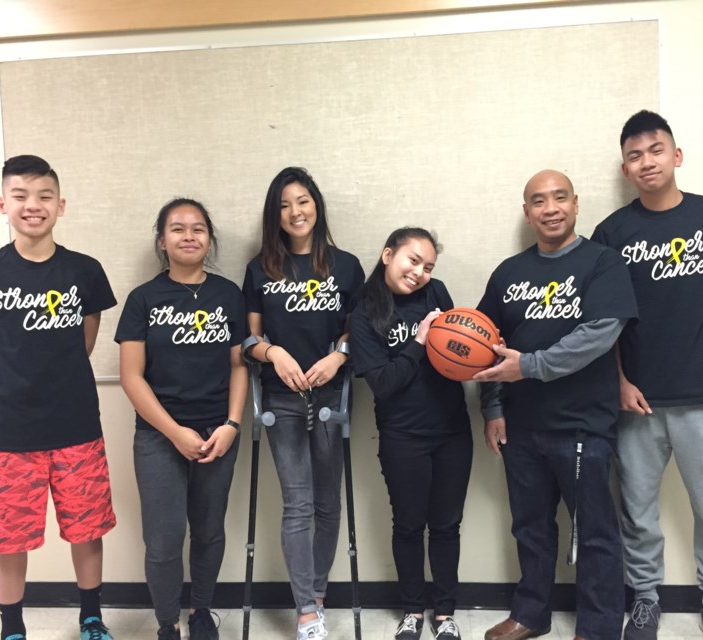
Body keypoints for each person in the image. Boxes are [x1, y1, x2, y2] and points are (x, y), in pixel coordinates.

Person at [591, 111, 703, 640]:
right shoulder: (612, 232)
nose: (647, 161)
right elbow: (606, 323)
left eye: (656, 150)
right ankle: (644, 600)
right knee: (637, 511)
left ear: (676, 155)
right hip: (637, 401)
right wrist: (618, 381)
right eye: (636, 155)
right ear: (625, 168)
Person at [0, 155, 117, 640]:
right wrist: (9, 382)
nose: (33, 205)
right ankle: (12, 628)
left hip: (77, 423)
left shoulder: (84, 270)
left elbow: (85, 341)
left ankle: (91, 618)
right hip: (10, 428)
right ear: (3, 203)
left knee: (87, 529)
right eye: (20, 196)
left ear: (60, 206)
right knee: (8, 537)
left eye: (44, 196)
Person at [474, 170, 638, 640]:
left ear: (576, 204)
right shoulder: (508, 273)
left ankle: (599, 626)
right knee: (529, 527)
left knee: (595, 533)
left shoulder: (603, 263)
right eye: (539, 201)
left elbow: (599, 335)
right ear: (527, 212)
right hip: (521, 428)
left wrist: (528, 366)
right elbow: (487, 345)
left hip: (584, 425)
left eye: (559, 198)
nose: (550, 208)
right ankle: (531, 614)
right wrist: (492, 409)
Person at [115, 198, 247, 640]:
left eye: (198, 229)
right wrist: (174, 432)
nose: (188, 236)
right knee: (164, 540)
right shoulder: (144, 299)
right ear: (162, 240)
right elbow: (131, 377)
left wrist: (231, 425)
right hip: (157, 437)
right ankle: (168, 622)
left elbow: (239, 365)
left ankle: (203, 612)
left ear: (209, 239)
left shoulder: (228, 294)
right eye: (177, 228)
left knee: (209, 532)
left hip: (219, 434)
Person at [242, 167, 365, 640]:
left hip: (333, 395)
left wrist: (339, 357)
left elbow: (360, 328)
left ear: (317, 205)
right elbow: (248, 338)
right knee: (298, 504)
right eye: (285, 204)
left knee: (327, 504)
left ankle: (318, 594)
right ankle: (305, 612)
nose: (296, 212)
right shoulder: (260, 268)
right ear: (276, 214)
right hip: (281, 399)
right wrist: (273, 352)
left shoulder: (346, 265)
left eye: (303, 201)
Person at [351, 228, 471, 640]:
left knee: (446, 526)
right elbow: (383, 383)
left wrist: (479, 347)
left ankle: (445, 613)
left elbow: (456, 357)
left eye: (428, 266)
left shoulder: (437, 293)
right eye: (412, 260)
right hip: (402, 437)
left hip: (453, 430)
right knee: (407, 525)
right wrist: (419, 341)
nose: (420, 272)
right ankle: (411, 612)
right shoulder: (365, 312)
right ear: (388, 255)